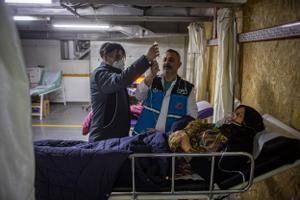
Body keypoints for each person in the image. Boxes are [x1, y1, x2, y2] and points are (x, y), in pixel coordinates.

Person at [168, 105, 265, 180]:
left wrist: (187, 148)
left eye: (239, 115)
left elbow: (212, 174)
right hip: (175, 142)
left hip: (175, 156)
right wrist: (186, 131)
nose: (233, 116)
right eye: (235, 112)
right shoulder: (226, 130)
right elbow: (200, 127)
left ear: (247, 124)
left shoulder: (238, 147)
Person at [89, 42, 159, 142]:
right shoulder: (100, 74)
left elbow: (129, 99)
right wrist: (146, 59)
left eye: (122, 58)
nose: (121, 61)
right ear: (105, 57)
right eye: (117, 57)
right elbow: (121, 80)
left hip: (118, 135)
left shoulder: (114, 76)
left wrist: (150, 77)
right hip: (104, 137)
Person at [133, 49, 198, 135]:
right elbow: (138, 96)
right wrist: (151, 75)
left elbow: (192, 117)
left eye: (171, 60)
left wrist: (167, 134)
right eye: (165, 59)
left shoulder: (187, 88)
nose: (167, 62)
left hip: (167, 140)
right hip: (142, 135)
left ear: (179, 65)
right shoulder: (152, 80)